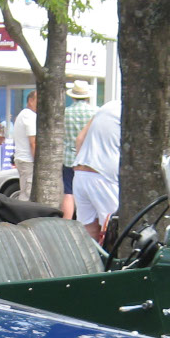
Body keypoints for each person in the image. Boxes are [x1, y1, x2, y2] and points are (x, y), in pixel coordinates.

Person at [71, 98, 122, 242]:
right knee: (112, 229)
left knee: (88, 230)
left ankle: (88, 263)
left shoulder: (107, 106)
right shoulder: (133, 110)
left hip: (82, 172)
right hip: (105, 175)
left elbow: (80, 138)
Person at [60, 81, 97, 219]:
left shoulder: (65, 113)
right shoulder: (95, 112)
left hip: (69, 158)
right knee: (89, 192)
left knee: (68, 193)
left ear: (73, 96)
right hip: (89, 159)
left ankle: (66, 224)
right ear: (87, 96)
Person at [12, 90, 38, 201]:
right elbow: (32, 142)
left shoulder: (23, 114)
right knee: (28, 194)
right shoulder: (30, 116)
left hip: (22, 159)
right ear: (31, 101)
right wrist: (37, 162)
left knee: (26, 191)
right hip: (28, 160)